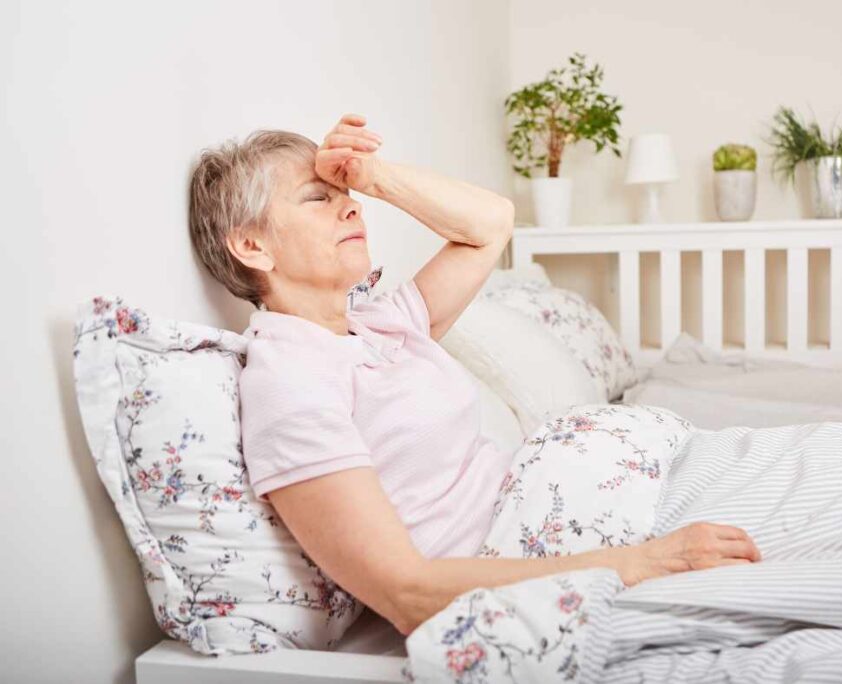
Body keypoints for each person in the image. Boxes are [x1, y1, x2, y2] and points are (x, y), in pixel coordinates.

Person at [187, 113, 761, 637]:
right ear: (251, 245)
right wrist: (643, 563)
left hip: (606, 506)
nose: (352, 207)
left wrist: (372, 175)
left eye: (349, 197)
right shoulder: (290, 379)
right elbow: (406, 590)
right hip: (542, 567)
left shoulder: (378, 324)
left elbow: (491, 224)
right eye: (318, 198)